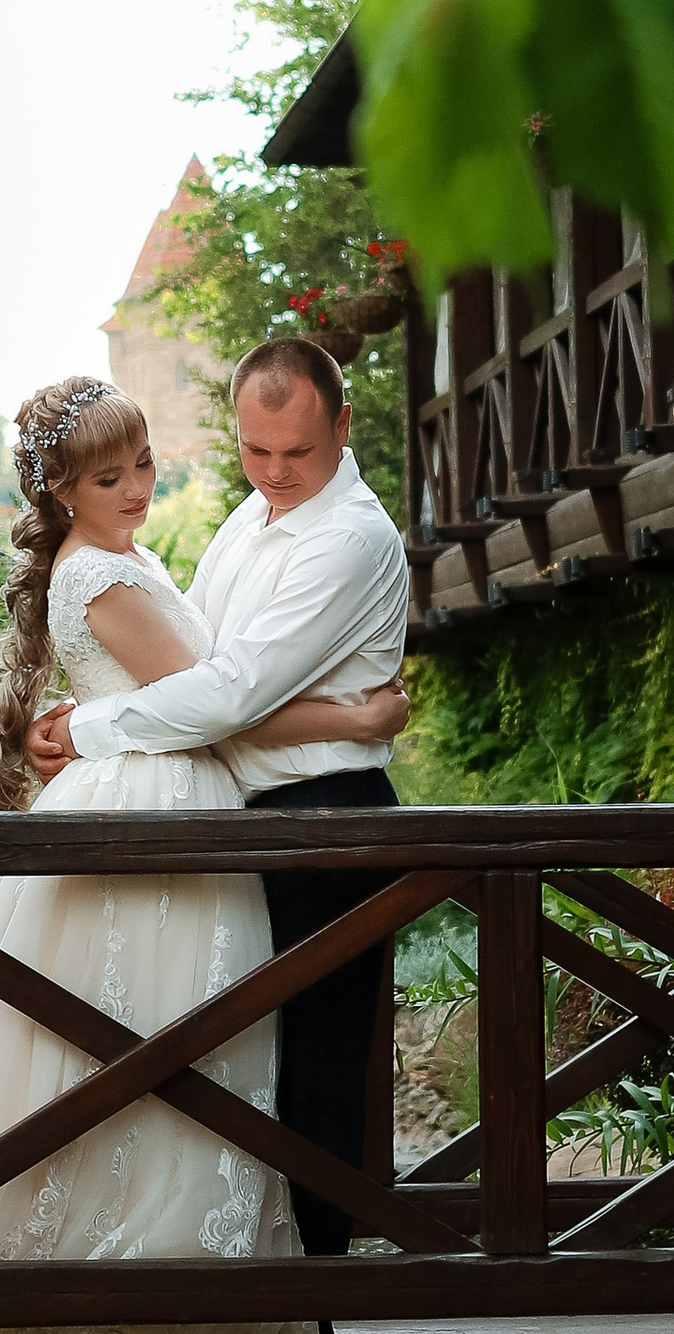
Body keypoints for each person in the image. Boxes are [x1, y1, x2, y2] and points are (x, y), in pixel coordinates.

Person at [0, 376, 408, 1334]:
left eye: (141, 465)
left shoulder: (125, 557)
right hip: (155, 806)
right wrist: (358, 720)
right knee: (144, 1039)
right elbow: (224, 702)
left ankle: (196, 1270)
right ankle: (127, 1279)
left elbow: (211, 690)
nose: (136, 487)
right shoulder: (101, 580)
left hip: (163, 796)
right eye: (108, 475)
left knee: (165, 1039)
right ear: (61, 491)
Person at [27, 335, 410, 1271]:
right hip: (245, 818)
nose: (276, 473)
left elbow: (227, 697)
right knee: (230, 1070)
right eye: (256, 451)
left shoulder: (350, 540)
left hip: (326, 821)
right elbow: (193, 669)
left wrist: (90, 729)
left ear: (343, 428)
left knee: (315, 1073)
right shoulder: (252, 519)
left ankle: (312, 1311)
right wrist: (353, 712)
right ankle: (230, 1286)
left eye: (299, 454)